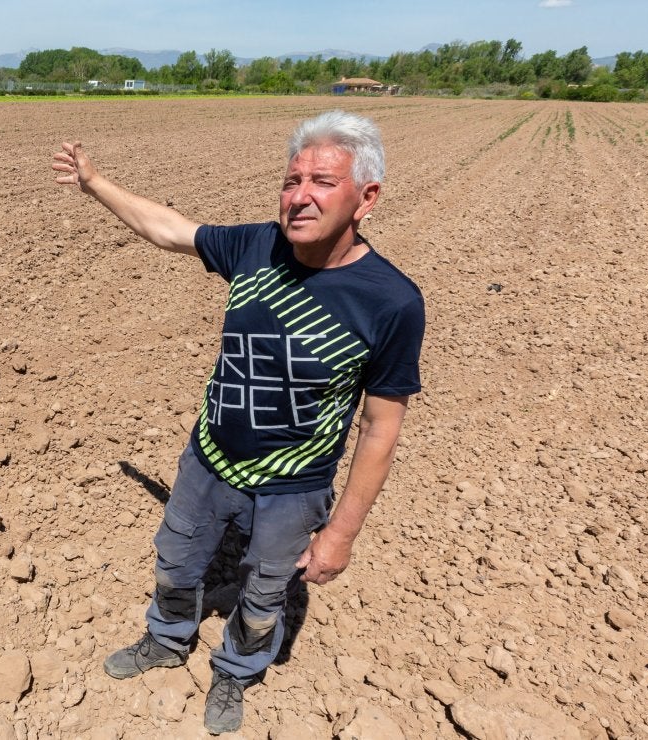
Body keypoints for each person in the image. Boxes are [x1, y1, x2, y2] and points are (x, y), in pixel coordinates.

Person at [50, 110, 424, 734]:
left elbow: (381, 427)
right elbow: (170, 230)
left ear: (367, 197)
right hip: (209, 459)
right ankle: (167, 640)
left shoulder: (390, 301)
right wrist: (96, 183)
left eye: (322, 181)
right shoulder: (258, 247)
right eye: (291, 179)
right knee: (175, 561)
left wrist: (341, 535)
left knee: (264, 594)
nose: (300, 195)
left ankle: (238, 672)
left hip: (295, 485)